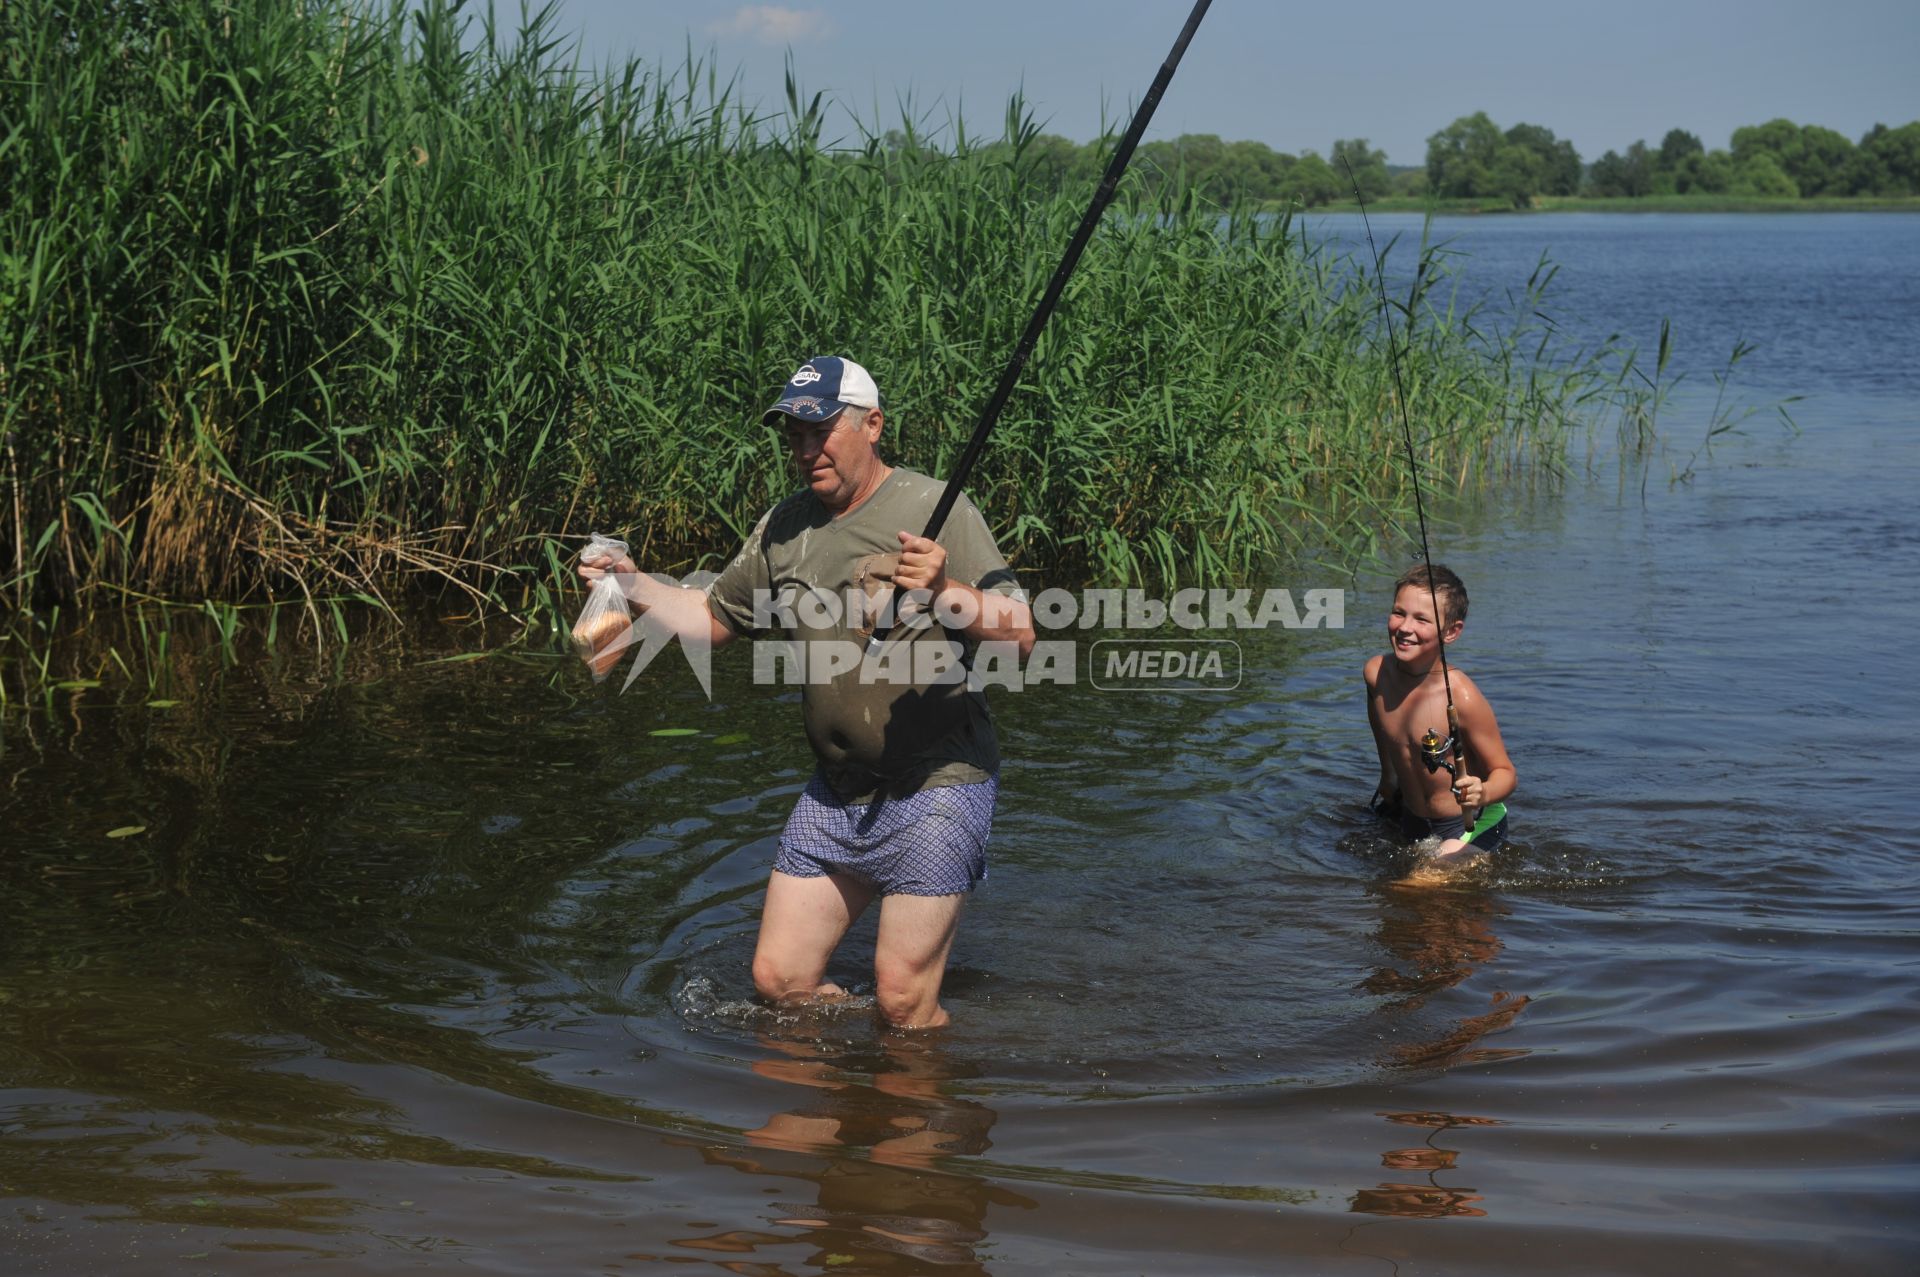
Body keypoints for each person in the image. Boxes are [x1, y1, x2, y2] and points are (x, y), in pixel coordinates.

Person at [581, 356, 1034, 1029]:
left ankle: (930, 1110)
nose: (805, 449)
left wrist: (945, 591)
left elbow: (1020, 633)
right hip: (838, 787)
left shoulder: (934, 507)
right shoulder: (784, 527)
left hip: (939, 780)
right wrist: (634, 581)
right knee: (780, 981)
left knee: (903, 999)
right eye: (793, 435)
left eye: (820, 430)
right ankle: (841, 1094)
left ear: (872, 425)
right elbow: (711, 621)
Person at [1363, 564, 1516, 863]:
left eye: (1422, 619)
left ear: (1451, 631)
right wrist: (1388, 775)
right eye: (1398, 613)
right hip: (1412, 819)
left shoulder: (1463, 696)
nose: (1405, 627)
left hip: (1469, 823)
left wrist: (1481, 792)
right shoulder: (1375, 674)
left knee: (1419, 884)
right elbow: (1380, 721)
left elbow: (1507, 774)